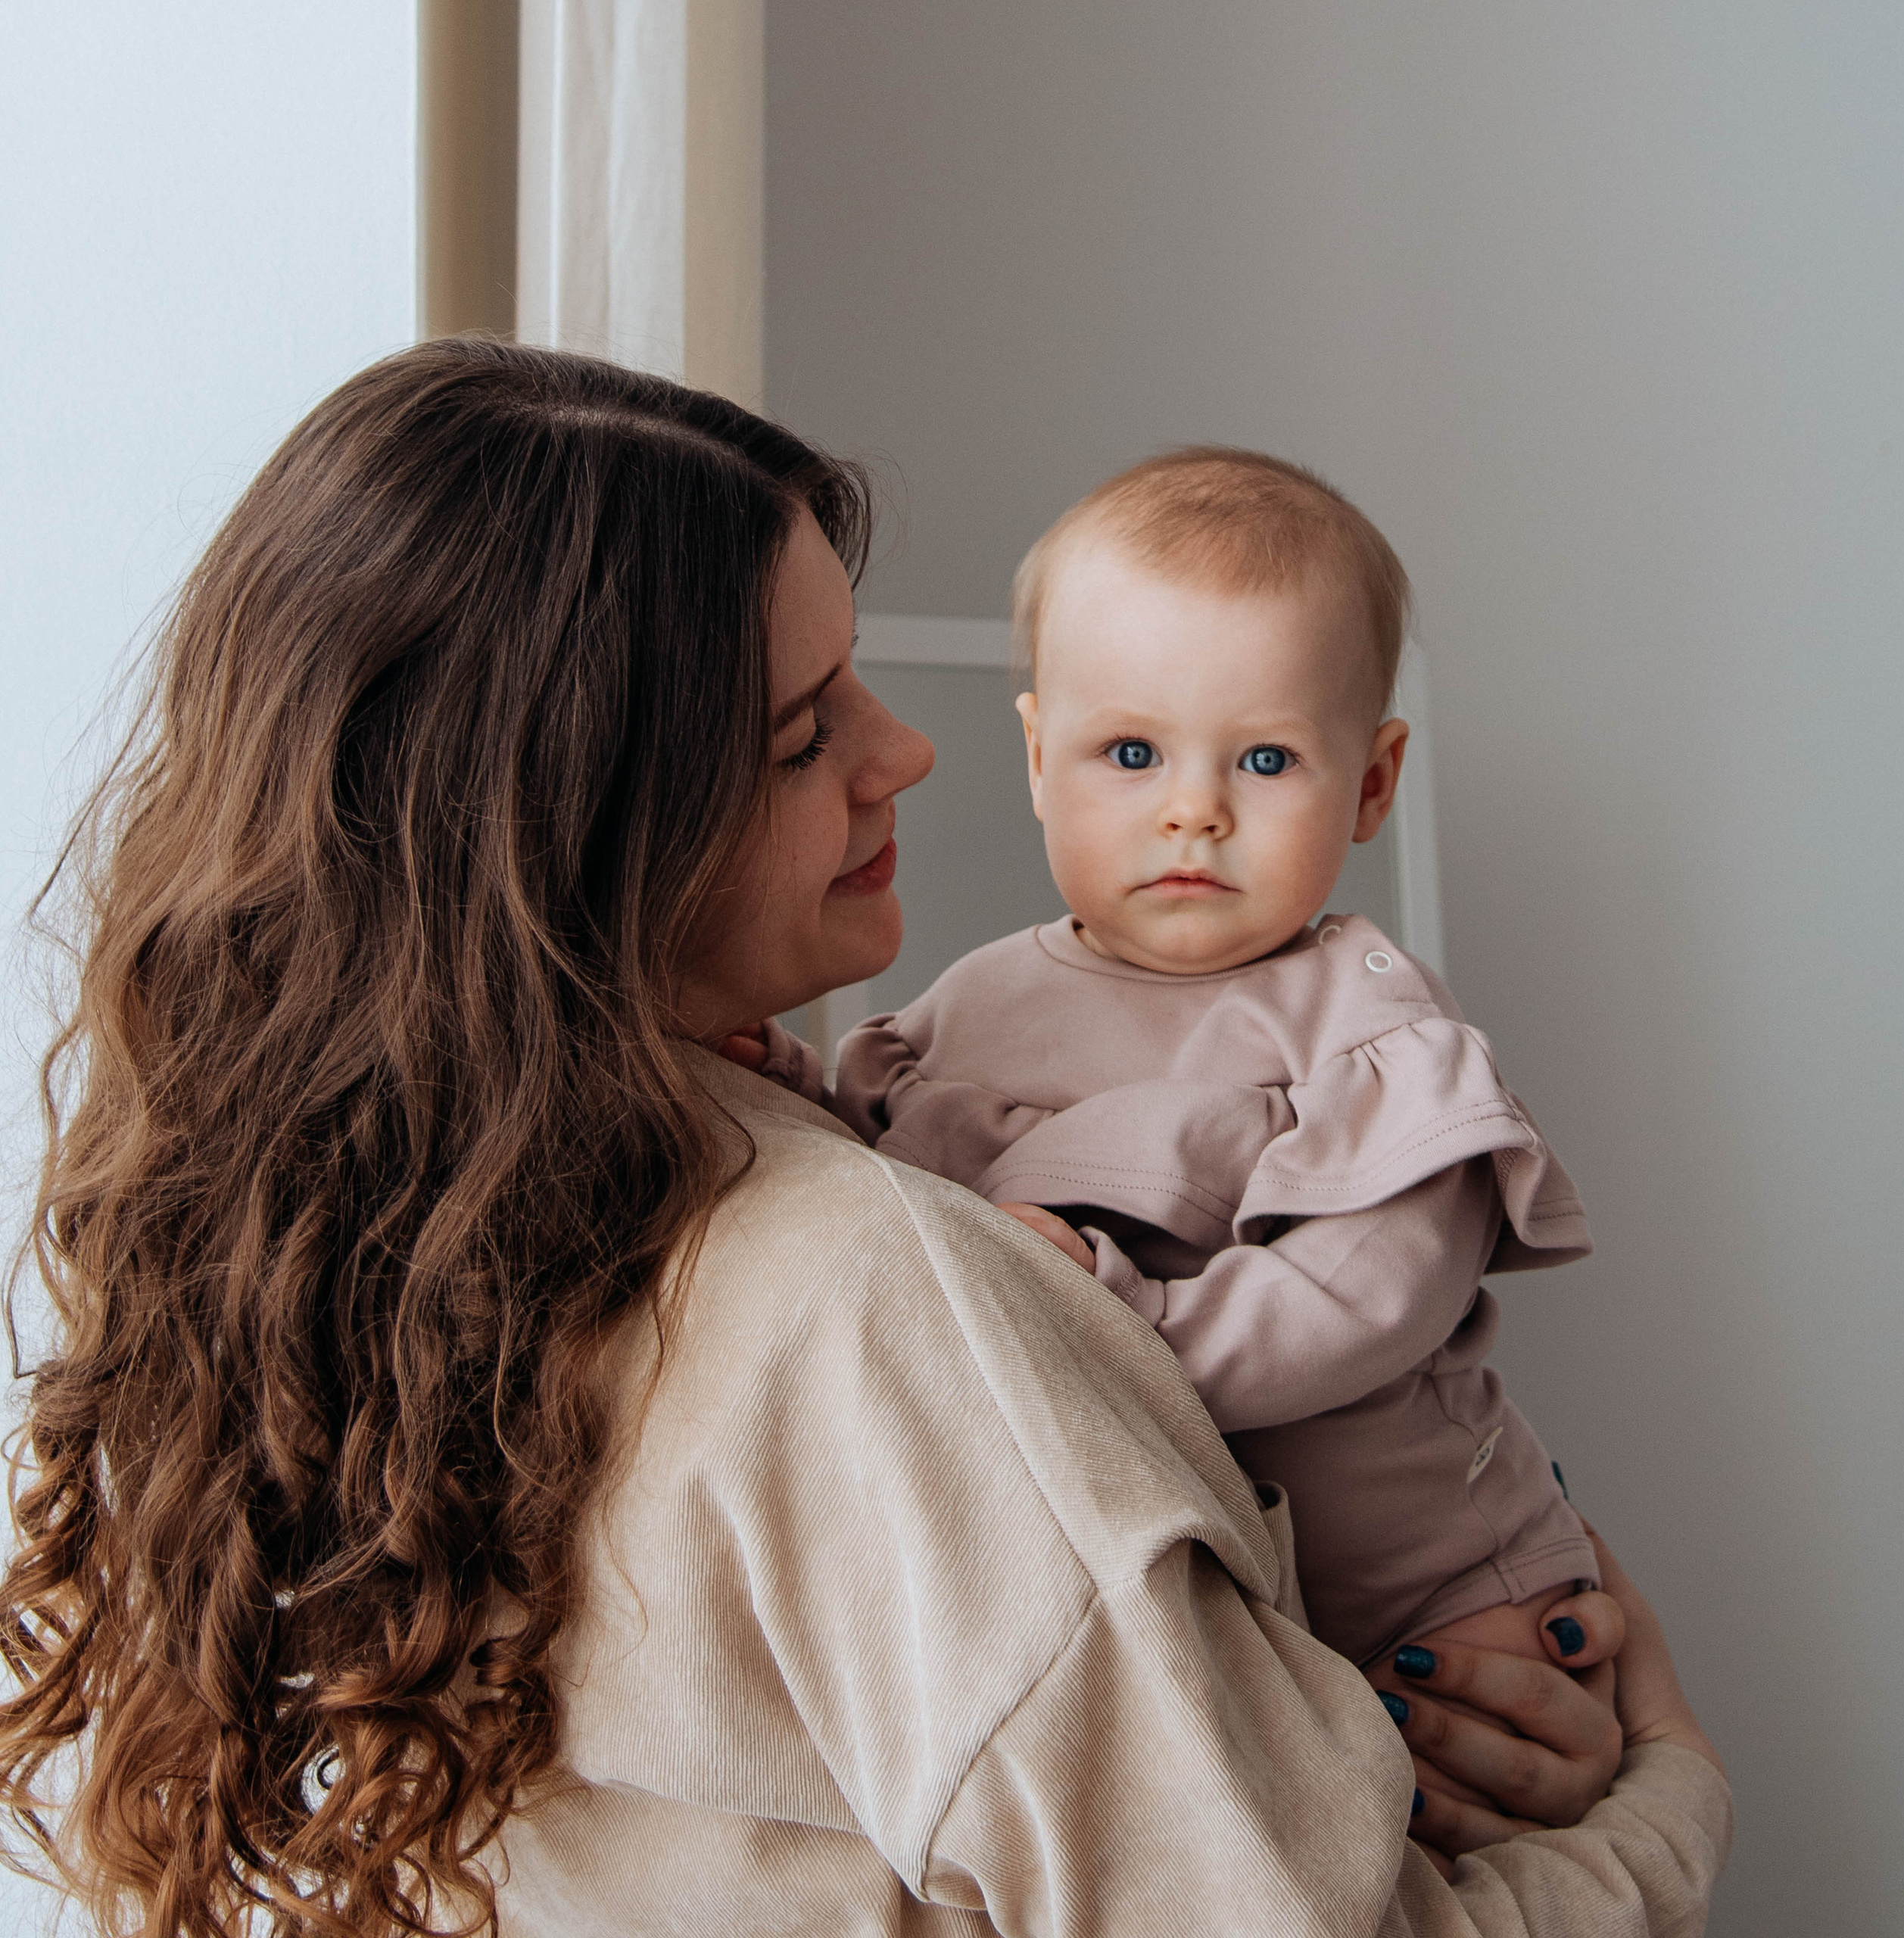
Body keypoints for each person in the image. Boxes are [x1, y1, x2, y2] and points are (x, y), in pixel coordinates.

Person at [0, 342, 1727, 1936]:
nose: (905, 750)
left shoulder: (403, 1245)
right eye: (803, 729)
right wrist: (1665, 1788)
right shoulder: (877, 1292)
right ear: (583, 831)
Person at [832, 449, 1597, 1701]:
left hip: (1432, 1584)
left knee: (1495, 1779)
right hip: (1183, 1597)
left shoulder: (1369, 1023)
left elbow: (1366, 1300)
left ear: (1372, 782)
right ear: (1039, 757)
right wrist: (784, 1090)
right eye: (1132, 753)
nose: (1195, 811)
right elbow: (879, 1178)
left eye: (1265, 761)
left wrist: (1120, 1319)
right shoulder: (972, 1003)